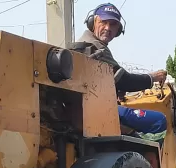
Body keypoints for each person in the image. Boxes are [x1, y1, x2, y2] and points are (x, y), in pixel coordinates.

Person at [70, 3, 168, 140]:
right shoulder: (94, 47)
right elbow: (126, 81)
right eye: (103, 22)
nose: (108, 28)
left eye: (113, 24)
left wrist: (115, 89)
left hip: (88, 108)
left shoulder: (87, 44)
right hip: (95, 111)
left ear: (118, 30)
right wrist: (153, 77)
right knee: (159, 121)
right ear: (93, 22)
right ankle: (150, 159)